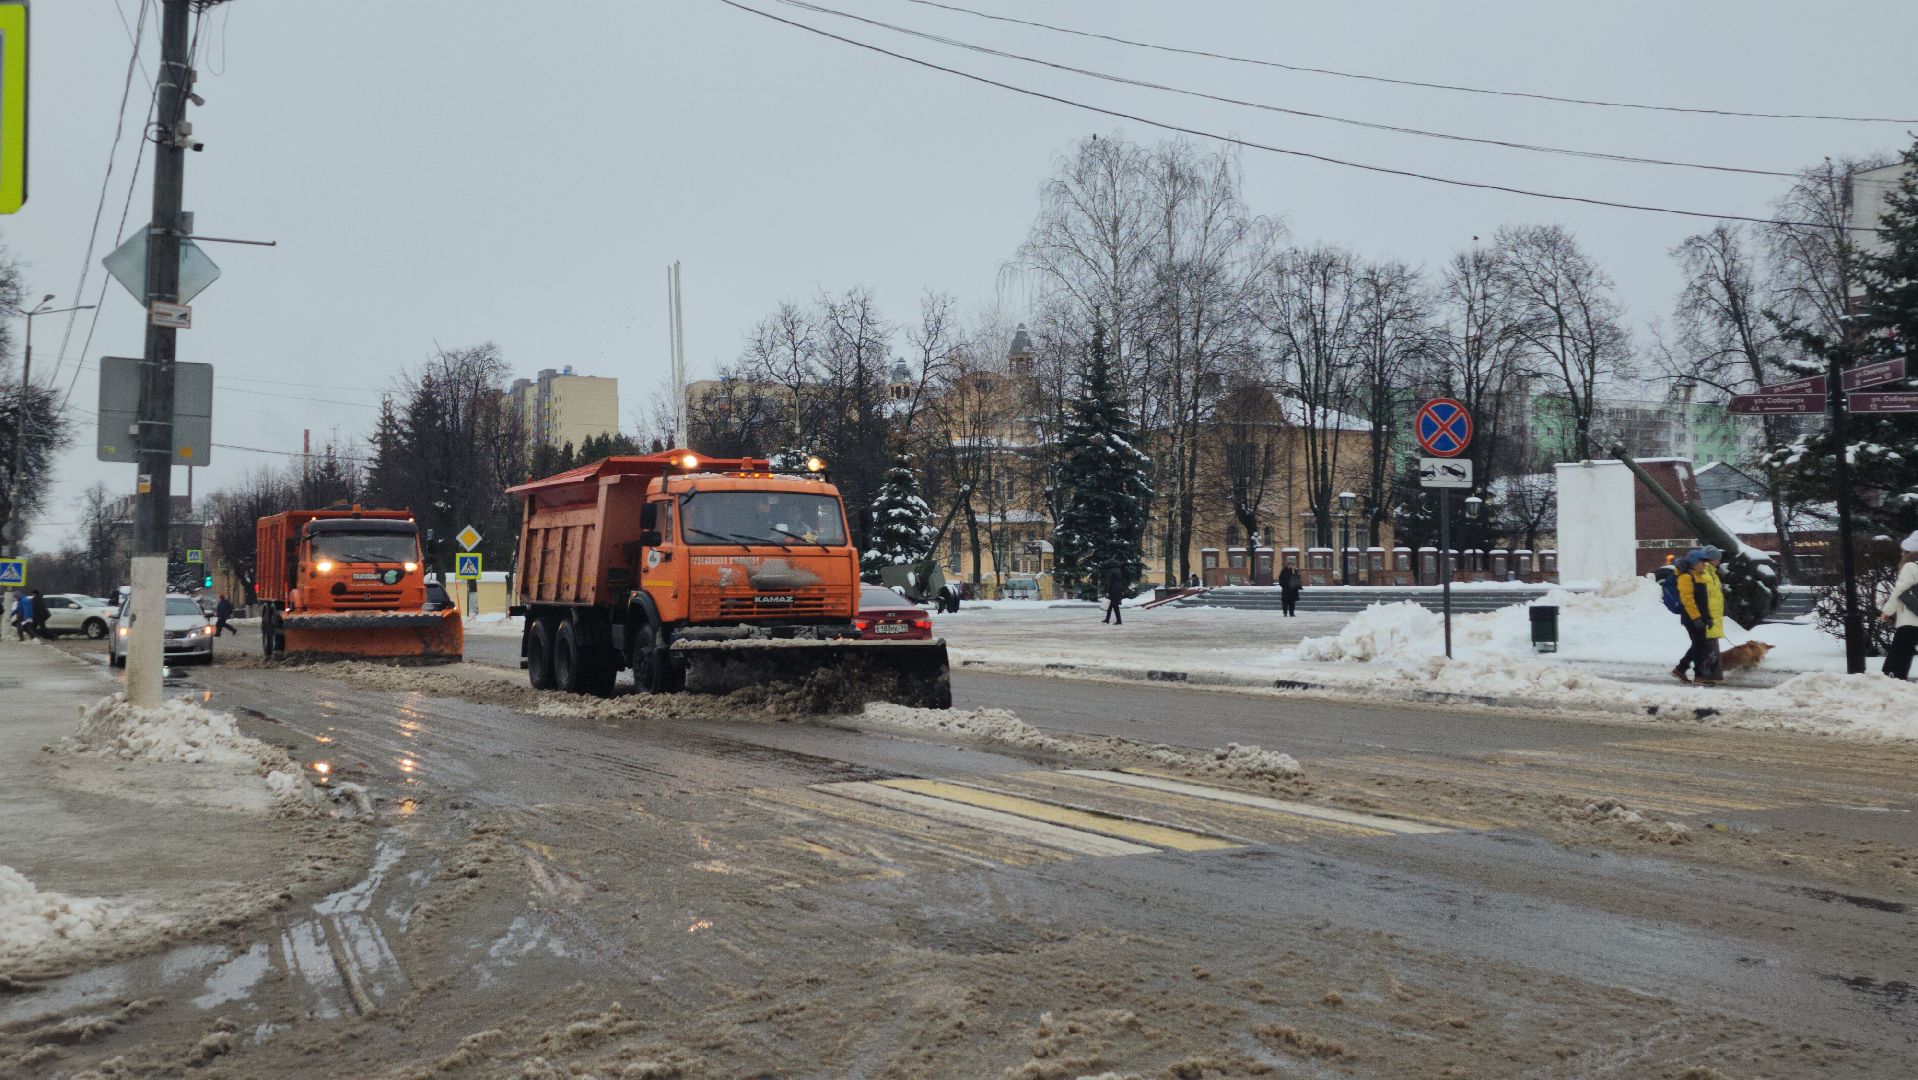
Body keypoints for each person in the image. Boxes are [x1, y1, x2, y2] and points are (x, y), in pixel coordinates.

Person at [1677, 547, 1727, 685]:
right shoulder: (1686, 577)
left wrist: (1708, 617)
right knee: (1700, 646)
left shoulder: (1699, 576)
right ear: (1693, 562)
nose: (1704, 564)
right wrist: (1696, 618)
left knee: (1700, 645)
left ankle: (1681, 669)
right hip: (1691, 618)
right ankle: (1698, 676)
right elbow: (1688, 600)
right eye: (1701, 562)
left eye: (1705, 562)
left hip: (1701, 617)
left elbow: (1704, 601)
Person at [1879, 530, 1918, 681]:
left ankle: (1892, 678)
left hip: (1910, 617)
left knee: (1900, 651)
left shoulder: (1910, 567)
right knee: (1905, 650)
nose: (1901, 554)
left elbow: (1899, 591)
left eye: (1904, 551)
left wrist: (1887, 610)